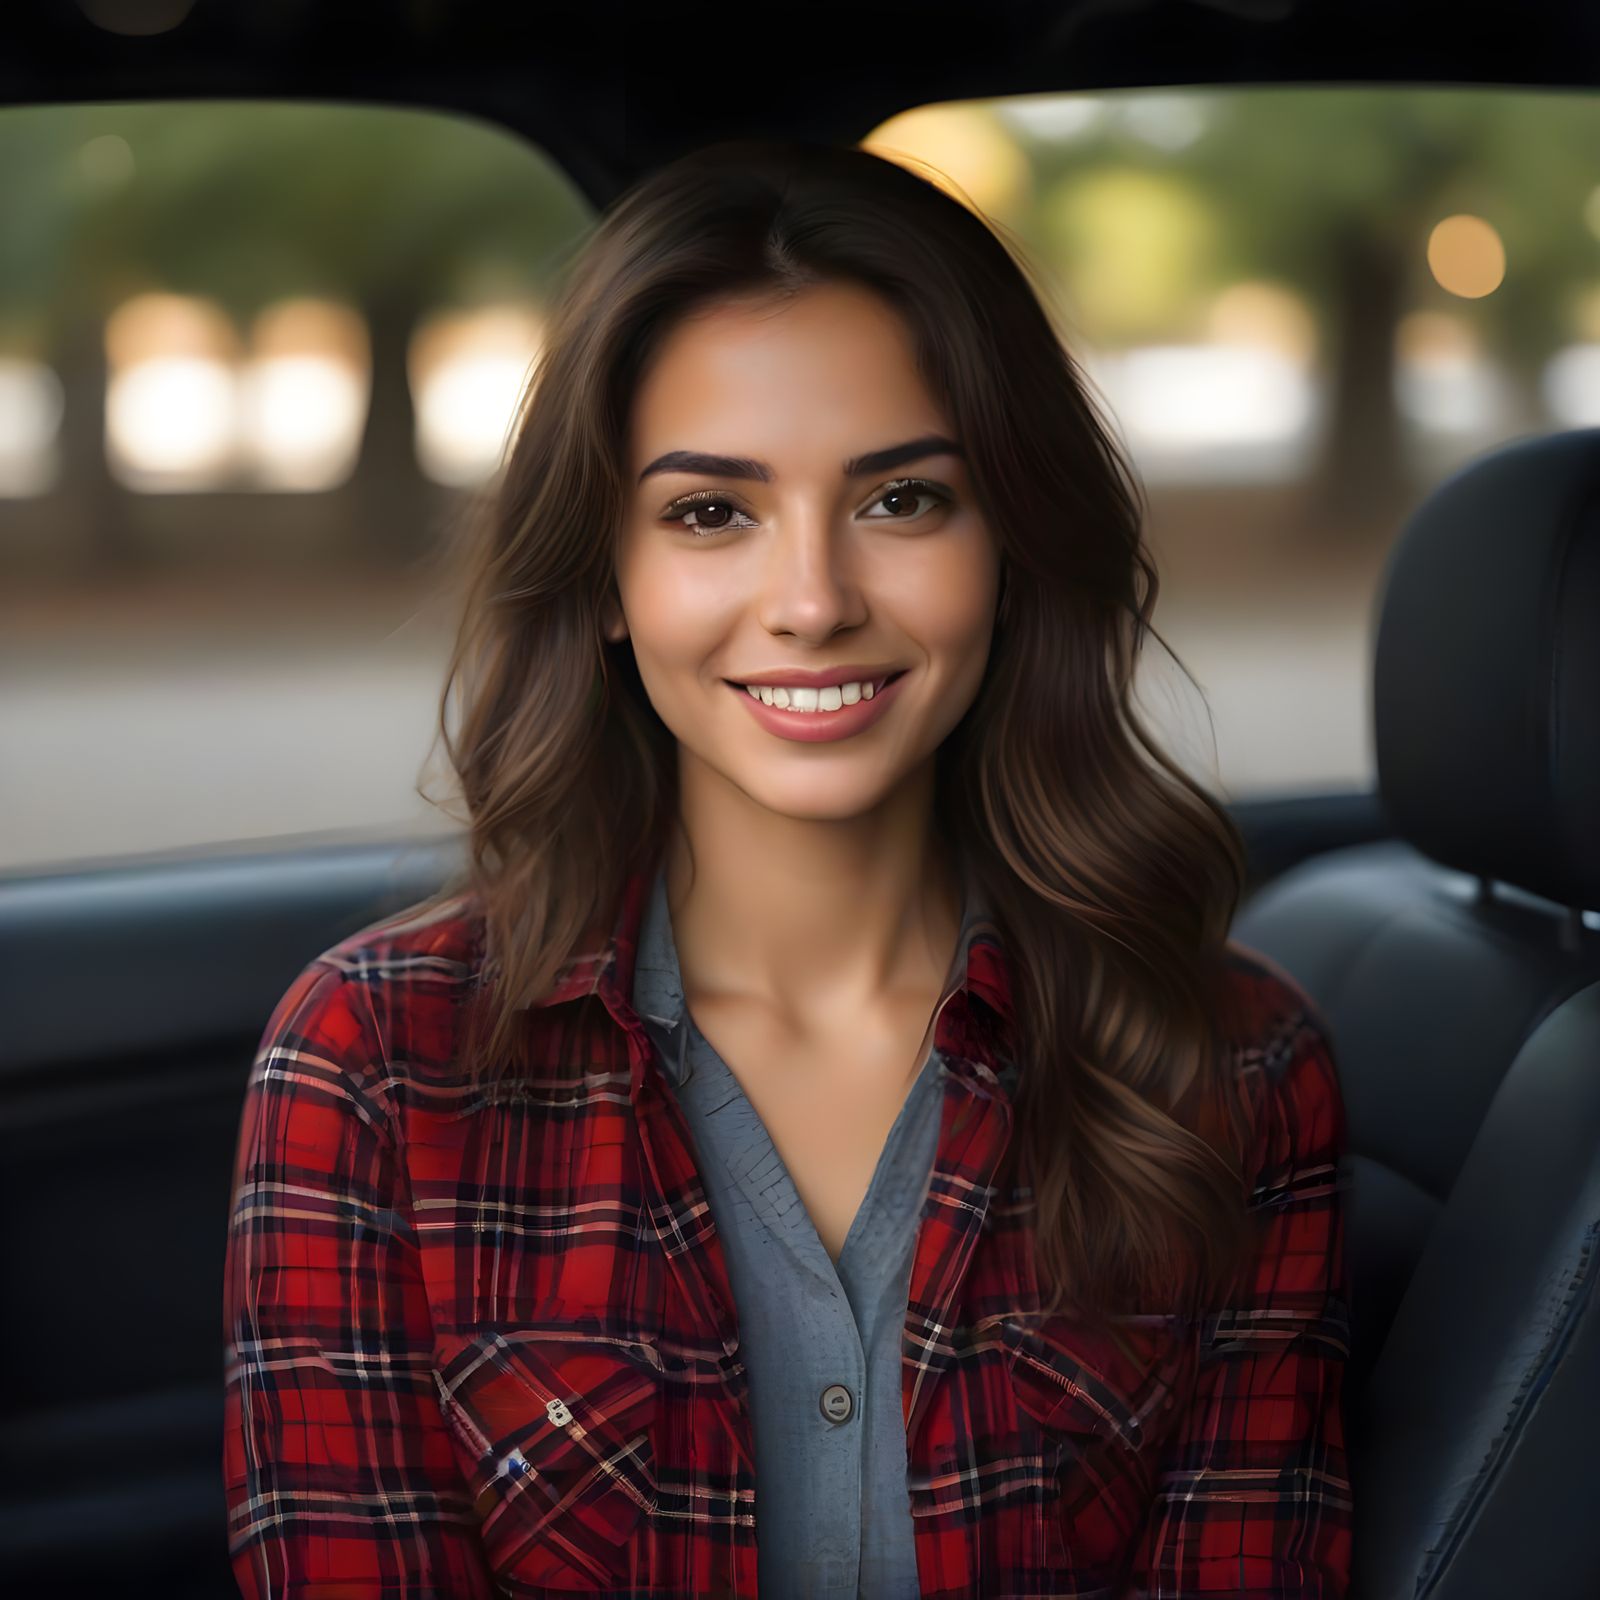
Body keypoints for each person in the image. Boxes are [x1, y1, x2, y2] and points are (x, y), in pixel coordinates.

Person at [222, 137, 1352, 1599]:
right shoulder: (372, 1065)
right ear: (607, 581)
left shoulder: (1234, 1070)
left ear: (1011, 544)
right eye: (710, 513)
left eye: (903, 501)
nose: (812, 601)